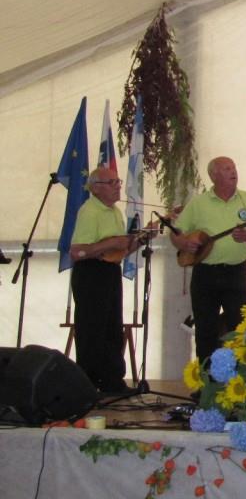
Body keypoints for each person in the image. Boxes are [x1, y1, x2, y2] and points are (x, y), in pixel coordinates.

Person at [171, 157, 246, 367]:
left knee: (239, 328)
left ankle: (238, 379)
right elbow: (177, 233)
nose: (234, 171)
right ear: (214, 176)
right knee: (205, 329)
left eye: (234, 167)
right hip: (205, 273)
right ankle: (206, 379)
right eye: (227, 168)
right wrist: (185, 243)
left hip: (236, 273)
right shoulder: (198, 203)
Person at [69, 167, 140, 393]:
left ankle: (112, 381)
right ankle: (88, 384)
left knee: (112, 327)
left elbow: (119, 251)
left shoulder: (115, 212)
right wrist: (111, 243)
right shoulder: (90, 211)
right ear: (96, 188)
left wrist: (140, 239)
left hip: (110, 271)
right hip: (90, 272)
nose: (118, 186)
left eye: (118, 182)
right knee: (92, 329)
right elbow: (77, 251)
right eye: (112, 183)